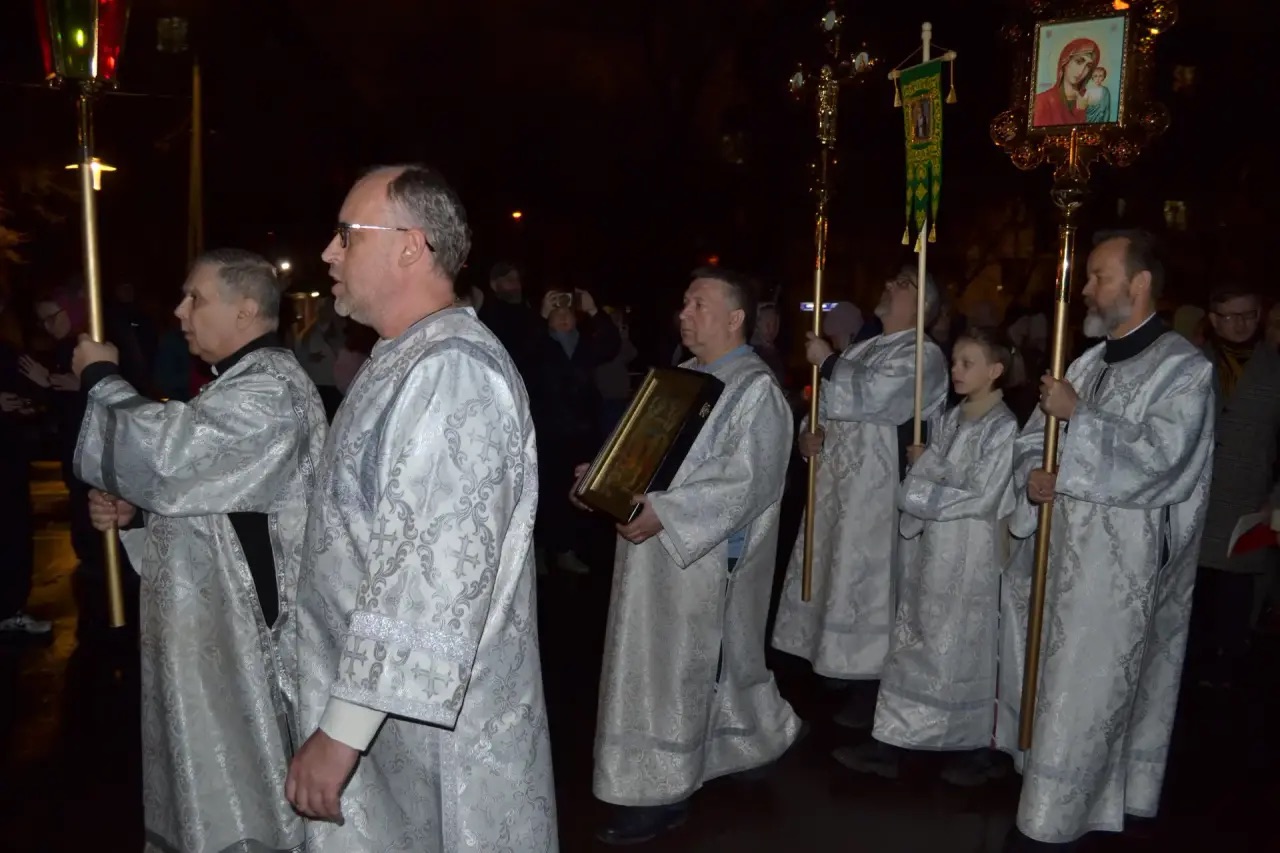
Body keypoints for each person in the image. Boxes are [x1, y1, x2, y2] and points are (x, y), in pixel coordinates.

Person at [287, 164, 556, 852]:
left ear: (411, 246)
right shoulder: (402, 358)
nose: (328, 252)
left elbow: (429, 575)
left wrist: (342, 729)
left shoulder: (451, 371)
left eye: (348, 234)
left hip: (432, 733)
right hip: (389, 719)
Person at [72, 248, 328, 853]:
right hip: (213, 636)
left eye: (196, 298)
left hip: (247, 649)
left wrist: (100, 379)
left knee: (245, 795)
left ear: (245, 310)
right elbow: (210, 497)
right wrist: (138, 512)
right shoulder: (237, 386)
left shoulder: (270, 389)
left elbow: (173, 456)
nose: (180, 311)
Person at [997, 230, 1215, 851]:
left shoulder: (1183, 369)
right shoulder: (1087, 363)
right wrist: (1033, 480)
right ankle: (1042, 797)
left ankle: (1062, 819)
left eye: (1098, 276)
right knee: (1052, 683)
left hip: (1116, 571)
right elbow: (1029, 442)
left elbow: (1165, 462)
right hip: (1060, 552)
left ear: (1140, 283)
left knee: (1089, 690)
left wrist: (1080, 421)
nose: (1085, 289)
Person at [581, 268, 803, 845]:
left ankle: (664, 787)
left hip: (696, 561)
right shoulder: (679, 377)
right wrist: (602, 475)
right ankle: (744, 744)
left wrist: (670, 514)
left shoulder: (757, 390)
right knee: (646, 663)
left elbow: (746, 480)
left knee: (675, 671)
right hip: (652, 555)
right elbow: (641, 447)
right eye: (683, 303)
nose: (684, 313)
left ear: (735, 319)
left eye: (698, 304)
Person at [838, 326, 1018, 784]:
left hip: (969, 552)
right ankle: (893, 739)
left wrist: (924, 475)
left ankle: (968, 743)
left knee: (955, 650)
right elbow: (930, 481)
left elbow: (981, 494)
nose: (956, 370)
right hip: (931, 550)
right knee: (916, 639)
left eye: (967, 363)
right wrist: (922, 480)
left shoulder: (1003, 427)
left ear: (995, 371)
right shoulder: (951, 418)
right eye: (955, 361)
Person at [772, 267, 948, 731]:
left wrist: (829, 363)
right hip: (836, 489)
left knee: (868, 585)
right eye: (891, 280)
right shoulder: (866, 348)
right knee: (833, 574)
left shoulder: (924, 355)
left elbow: (880, 397)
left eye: (903, 284)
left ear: (924, 306)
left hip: (875, 494)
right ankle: (830, 671)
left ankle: (869, 685)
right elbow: (826, 407)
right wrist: (810, 434)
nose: (888, 285)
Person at [1192, 283, 1280, 687]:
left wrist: (1274, 502)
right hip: (1194, 501)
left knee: (1235, 602)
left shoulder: (1274, 369)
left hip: (1247, 504)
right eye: (1230, 316)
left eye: (1248, 315)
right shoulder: (1191, 365)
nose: (1240, 324)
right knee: (1193, 605)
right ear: (1214, 320)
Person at [1032, 38, 1099, 127]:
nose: (1081, 71)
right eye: (1078, 61)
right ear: (1065, 61)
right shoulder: (1042, 101)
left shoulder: (1091, 100)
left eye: (1088, 66)